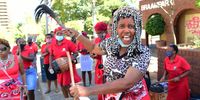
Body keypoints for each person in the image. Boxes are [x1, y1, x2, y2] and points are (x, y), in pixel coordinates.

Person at [65, 7, 151, 99]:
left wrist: (87, 90)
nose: (126, 30)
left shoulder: (142, 52)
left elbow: (126, 83)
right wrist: (77, 34)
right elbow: (94, 48)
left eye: (131, 26)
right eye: (122, 26)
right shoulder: (111, 43)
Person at [49, 27, 81, 99]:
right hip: (58, 67)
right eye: (58, 33)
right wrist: (50, 66)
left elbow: (76, 53)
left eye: (61, 33)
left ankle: (75, 97)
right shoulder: (53, 44)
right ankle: (66, 98)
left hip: (68, 67)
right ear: (55, 34)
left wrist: (69, 59)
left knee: (68, 85)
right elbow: (51, 55)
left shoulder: (68, 42)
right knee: (61, 84)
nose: (59, 35)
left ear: (63, 34)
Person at [92, 21, 110, 100]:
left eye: (99, 32)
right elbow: (96, 53)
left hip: (109, 67)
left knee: (108, 88)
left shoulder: (110, 38)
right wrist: (94, 56)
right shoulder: (96, 40)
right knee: (100, 87)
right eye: (97, 33)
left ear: (105, 31)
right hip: (99, 66)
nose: (98, 35)